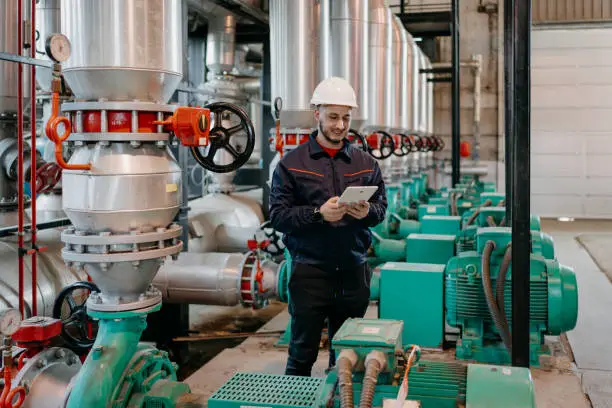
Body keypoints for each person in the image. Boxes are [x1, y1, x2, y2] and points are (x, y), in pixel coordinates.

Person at [269, 77, 388, 377]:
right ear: (316, 114)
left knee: (346, 360)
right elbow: (279, 217)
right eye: (333, 116)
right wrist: (318, 214)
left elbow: (382, 209)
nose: (340, 125)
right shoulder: (291, 164)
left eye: (346, 117)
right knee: (301, 356)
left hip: (353, 272)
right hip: (310, 273)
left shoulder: (366, 163)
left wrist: (367, 212)